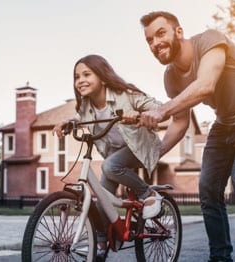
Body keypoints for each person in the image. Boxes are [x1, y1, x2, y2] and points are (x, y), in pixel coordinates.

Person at [138, 11, 235, 262]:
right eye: (149, 40)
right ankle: (220, 256)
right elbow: (180, 123)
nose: (155, 43)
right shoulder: (171, 77)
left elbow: (205, 85)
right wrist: (152, 153)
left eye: (160, 34)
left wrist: (160, 111)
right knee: (208, 189)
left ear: (178, 32)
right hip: (225, 123)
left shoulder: (210, 40)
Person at [52, 54, 163, 259]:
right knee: (102, 199)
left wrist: (139, 115)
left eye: (87, 74)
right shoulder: (86, 104)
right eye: (77, 77)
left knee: (110, 166)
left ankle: (149, 194)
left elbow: (157, 106)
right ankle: (101, 244)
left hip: (140, 148)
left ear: (102, 77)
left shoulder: (125, 94)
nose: (80, 80)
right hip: (115, 153)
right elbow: (80, 117)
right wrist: (69, 122)